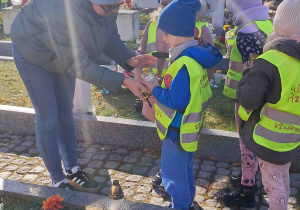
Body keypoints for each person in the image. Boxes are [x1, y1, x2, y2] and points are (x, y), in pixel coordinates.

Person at [10, 0, 156, 192]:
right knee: (48, 117)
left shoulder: (107, 5)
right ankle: (58, 180)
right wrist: (124, 81)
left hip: (65, 55)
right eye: (110, 7)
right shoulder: (60, 9)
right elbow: (79, 64)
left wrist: (129, 59)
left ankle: (72, 170)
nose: (114, 10)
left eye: (118, 5)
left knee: (65, 113)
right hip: (33, 51)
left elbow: (109, 36)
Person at [143, 0, 223, 209]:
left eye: (165, 33)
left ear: (176, 32)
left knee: (172, 173)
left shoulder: (183, 64)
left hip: (175, 129)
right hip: (187, 128)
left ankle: (179, 205)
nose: (163, 37)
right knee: (185, 168)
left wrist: (155, 90)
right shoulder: (193, 58)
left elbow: (176, 100)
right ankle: (186, 201)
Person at [237, 0, 300, 209]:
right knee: (281, 177)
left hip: (267, 137)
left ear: (281, 24)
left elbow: (248, 99)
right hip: (292, 137)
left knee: (273, 185)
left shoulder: (271, 59)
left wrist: (248, 74)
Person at [222, 0, 273, 208]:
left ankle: (247, 189)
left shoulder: (247, 30)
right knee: (253, 141)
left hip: (246, 98)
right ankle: (249, 177)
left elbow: (251, 70)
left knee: (246, 143)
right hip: (261, 96)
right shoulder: (265, 24)